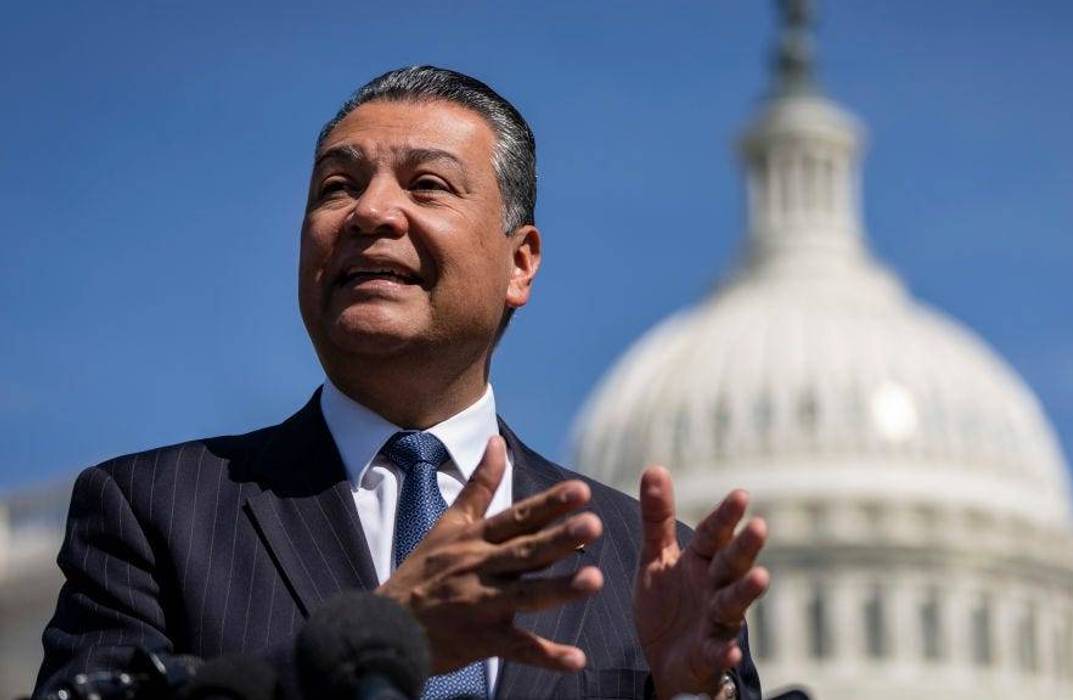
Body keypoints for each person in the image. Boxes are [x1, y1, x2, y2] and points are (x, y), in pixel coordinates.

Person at [35, 66, 769, 700]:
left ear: (520, 263)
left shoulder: (642, 566)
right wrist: (376, 642)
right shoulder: (154, 512)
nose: (371, 212)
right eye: (336, 186)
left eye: (426, 184)